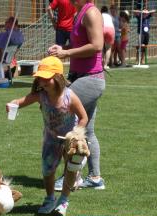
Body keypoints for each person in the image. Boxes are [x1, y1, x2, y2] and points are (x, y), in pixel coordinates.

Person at [6, 56, 88, 216]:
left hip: (69, 141)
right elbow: (20, 101)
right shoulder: (41, 96)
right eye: (40, 79)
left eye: (46, 79)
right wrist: (12, 104)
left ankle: (64, 200)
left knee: (70, 168)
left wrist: (77, 135)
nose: (42, 82)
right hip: (50, 139)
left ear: (58, 78)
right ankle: (50, 198)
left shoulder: (69, 96)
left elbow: (84, 117)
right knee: (47, 170)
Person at [48, 0, 107, 190]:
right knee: (87, 129)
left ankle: (72, 177)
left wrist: (66, 53)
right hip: (83, 78)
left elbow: (97, 45)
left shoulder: (91, 13)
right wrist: (61, 48)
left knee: (66, 122)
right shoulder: (79, 13)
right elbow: (80, 45)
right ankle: (95, 178)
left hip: (90, 79)